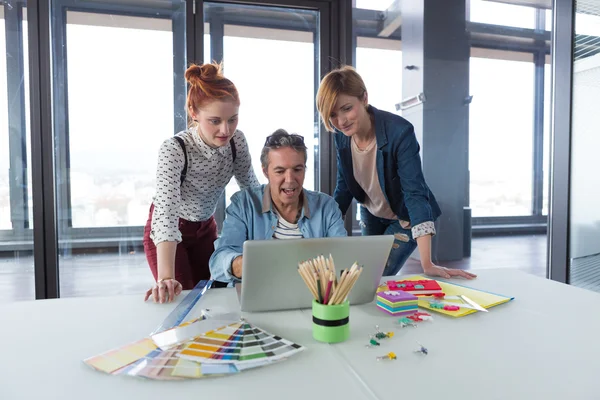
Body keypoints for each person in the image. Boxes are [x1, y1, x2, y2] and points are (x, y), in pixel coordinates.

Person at [316, 65, 476, 280]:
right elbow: (344, 186)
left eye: (346, 108)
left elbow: (415, 192)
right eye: (333, 114)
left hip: (404, 218)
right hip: (371, 212)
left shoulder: (399, 132)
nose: (341, 121)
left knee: (373, 276)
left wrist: (427, 263)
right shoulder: (341, 135)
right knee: (362, 274)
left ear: (364, 98)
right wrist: (322, 232)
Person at [143, 62, 259, 303]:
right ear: (194, 113)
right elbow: (166, 213)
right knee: (181, 300)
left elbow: (252, 191)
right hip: (169, 231)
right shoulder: (174, 149)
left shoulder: (237, 142)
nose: (225, 130)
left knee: (214, 298)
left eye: (232, 119)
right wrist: (166, 277)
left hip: (206, 229)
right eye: (215, 121)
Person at [209, 129, 347, 284]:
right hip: (258, 295)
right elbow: (217, 265)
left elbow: (344, 257)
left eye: (297, 169)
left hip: (313, 297)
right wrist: (241, 263)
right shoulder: (243, 204)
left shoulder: (327, 207)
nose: (289, 180)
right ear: (265, 171)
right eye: (280, 171)